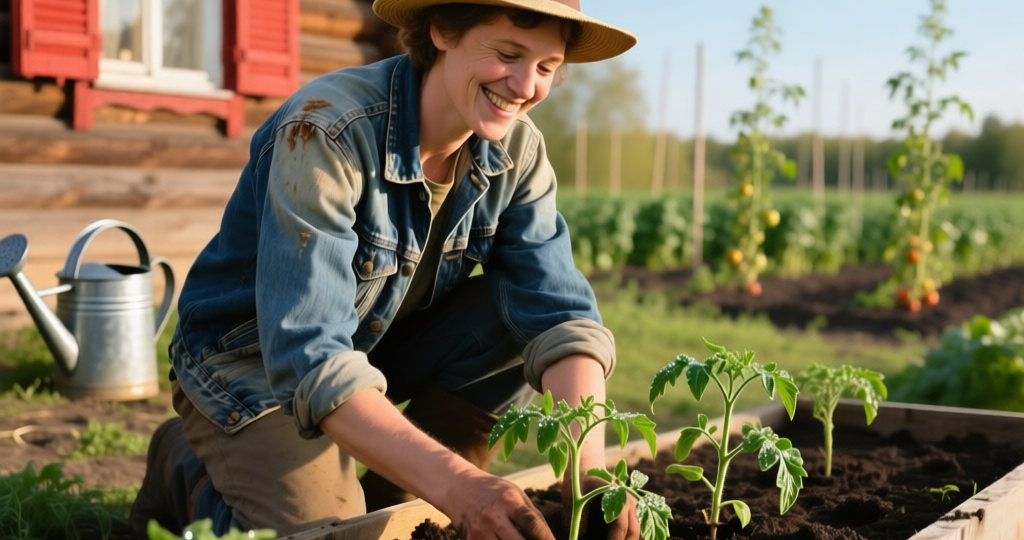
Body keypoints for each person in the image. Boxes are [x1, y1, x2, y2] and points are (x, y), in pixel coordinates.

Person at [129, 1, 637, 539]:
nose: (524, 85)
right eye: (508, 54)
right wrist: (459, 485)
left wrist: (589, 466)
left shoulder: (518, 152)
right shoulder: (326, 131)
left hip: (370, 345)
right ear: (442, 29)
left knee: (512, 321)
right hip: (248, 367)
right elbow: (310, 355)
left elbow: (559, 314)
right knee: (328, 534)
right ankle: (183, 464)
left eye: (546, 67)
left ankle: (396, 498)